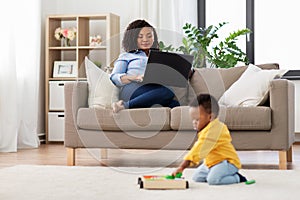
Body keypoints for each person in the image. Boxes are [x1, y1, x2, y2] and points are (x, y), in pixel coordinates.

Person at [172, 94, 247, 185]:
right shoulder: (206, 129)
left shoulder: (214, 130)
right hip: (211, 163)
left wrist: (182, 166)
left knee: (213, 180)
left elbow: (197, 150)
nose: (194, 123)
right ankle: (215, 172)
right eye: (193, 120)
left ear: (210, 117)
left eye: (197, 119)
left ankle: (237, 177)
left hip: (226, 162)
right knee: (197, 177)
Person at [110, 19, 179, 113]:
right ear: (133, 38)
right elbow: (114, 77)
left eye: (149, 36)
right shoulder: (127, 56)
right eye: (140, 37)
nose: (145, 40)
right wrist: (136, 77)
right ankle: (124, 105)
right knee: (168, 91)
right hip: (132, 88)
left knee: (175, 104)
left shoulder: (160, 56)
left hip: (153, 88)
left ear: (154, 38)